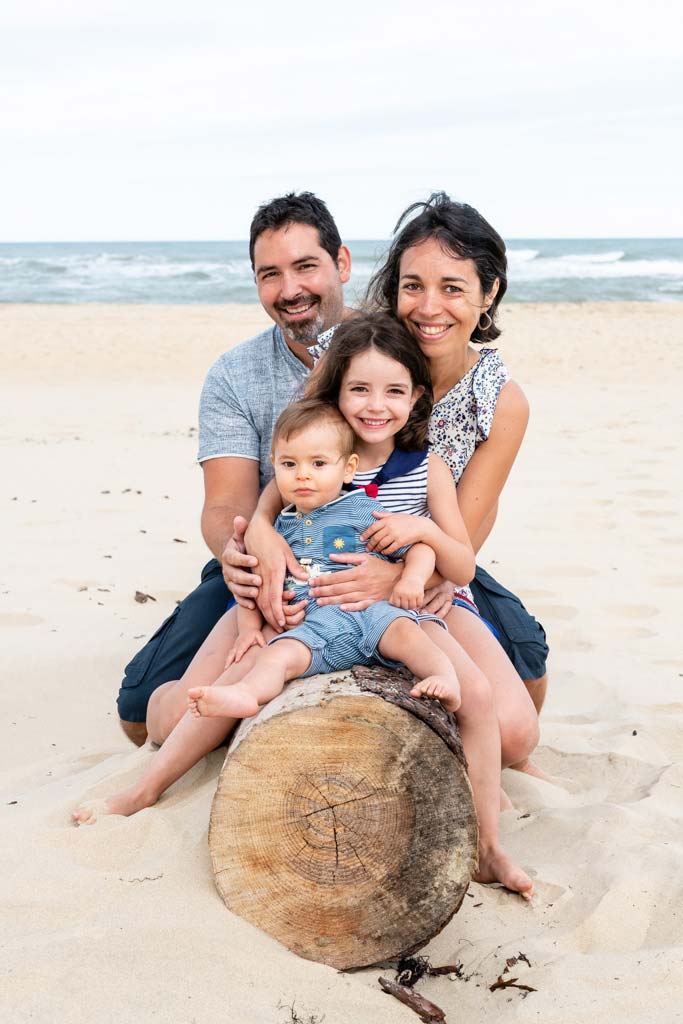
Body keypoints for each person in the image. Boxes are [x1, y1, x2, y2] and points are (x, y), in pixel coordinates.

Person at [79, 314, 534, 898]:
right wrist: (256, 579)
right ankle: (144, 789)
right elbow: (260, 523)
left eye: (394, 391)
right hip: (304, 607)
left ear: (417, 396)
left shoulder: (427, 467)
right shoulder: (309, 454)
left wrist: (417, 537)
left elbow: (462, 564)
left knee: (475, 694)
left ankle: (490, 847)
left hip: (393, 612)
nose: (375, 406)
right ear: (337, 391)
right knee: (244, 676)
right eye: (359, 390)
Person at [242, 194, 549, 776]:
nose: (430, 306)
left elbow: (465, 541)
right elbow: (296, 464)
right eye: (413, 285)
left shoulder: (499, 400)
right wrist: (259, 529)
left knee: (516, 733)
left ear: (488, 295)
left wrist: (401, 576)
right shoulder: (356, 357)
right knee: (155, 714)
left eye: (454, 288)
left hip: (429, 572)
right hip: (322, 555)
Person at [116, 192, 354, 746]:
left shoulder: (388, 351)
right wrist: (243, 551)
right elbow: (225, 504)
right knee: (137, 716)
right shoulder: (234, 374)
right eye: (269, 274)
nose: (289, 289)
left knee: (527, 673)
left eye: (305, 266)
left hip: (376, 550)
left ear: (340, 263)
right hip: (265, 551)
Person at [187, 397, 464, 720]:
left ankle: (445, 677)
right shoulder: (276, 531)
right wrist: (249, 629)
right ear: (274, 465)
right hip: (314, 629)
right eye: (289, 465)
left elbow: (418, 547)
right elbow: (253, 584)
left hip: (372, 614)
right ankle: (247, 694)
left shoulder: (360, 510)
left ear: (348, 468)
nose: (303, 475)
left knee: (409, 635)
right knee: (276, 657)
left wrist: (412, 578)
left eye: (318, 464)